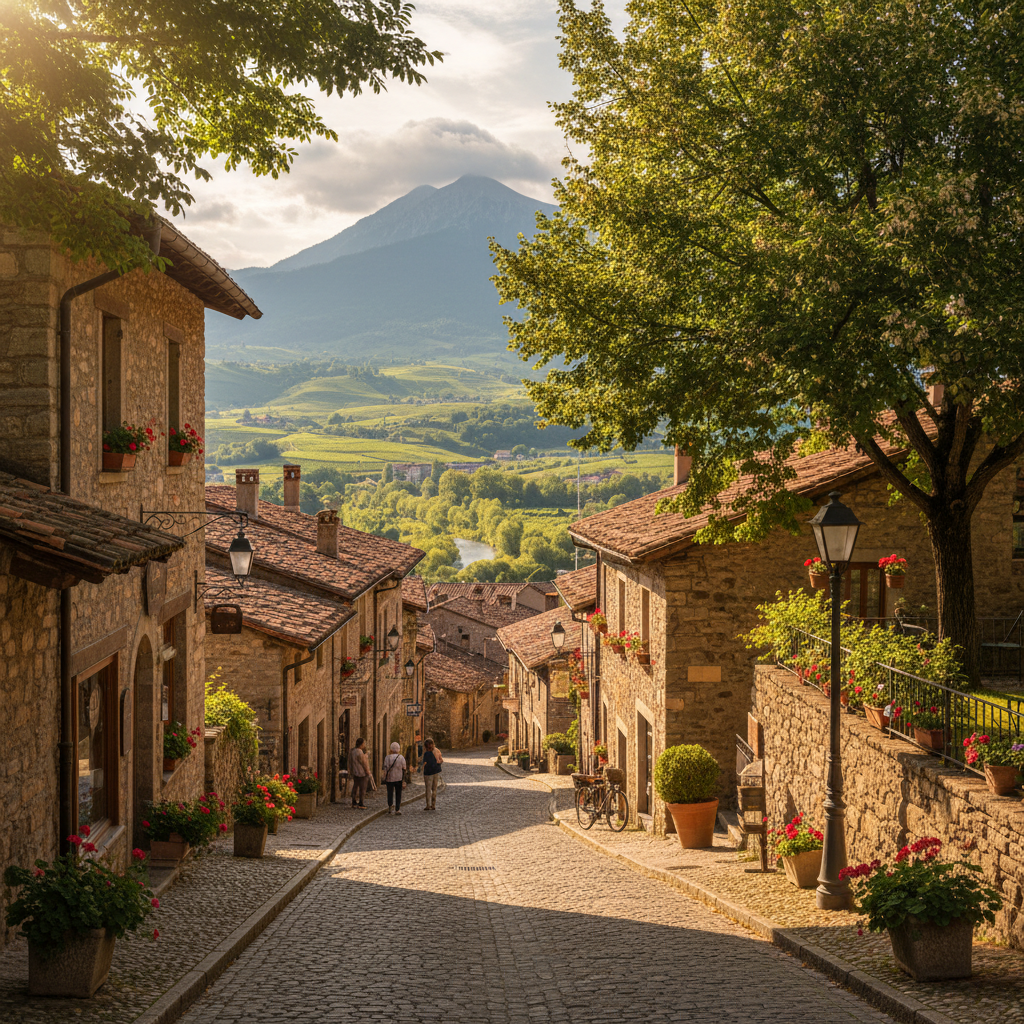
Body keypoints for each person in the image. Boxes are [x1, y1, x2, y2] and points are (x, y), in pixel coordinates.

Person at [383, 741, 407, 815]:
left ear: (391, 749)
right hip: (398, 778)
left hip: (389, 778)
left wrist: (385, 776)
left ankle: (390, 807)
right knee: (398, 793)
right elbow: (404, 768)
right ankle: (397, 809)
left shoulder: (387, 757)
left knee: (390, 793)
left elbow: (385, 768)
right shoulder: (401, 757)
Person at [419, 738, 443, 810]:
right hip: (435, 771)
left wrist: (421, 768)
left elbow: (424, 762)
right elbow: (441, 760)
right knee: (434, 789)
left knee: (428, 789)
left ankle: (428, 805)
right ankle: (433, 805)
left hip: (428, 772)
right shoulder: (437, 751)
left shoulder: (426, 753)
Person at [349, 738, 369, 809]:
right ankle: (361, 802)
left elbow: (350, 762)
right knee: (362, 788)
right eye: (364, 743)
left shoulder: (352, 751)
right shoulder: (359, 752)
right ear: (361, 744)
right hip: (361, 772)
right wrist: (367, 771)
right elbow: (364, 763)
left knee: (355, 786)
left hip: (355, 772)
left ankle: (354, 801)